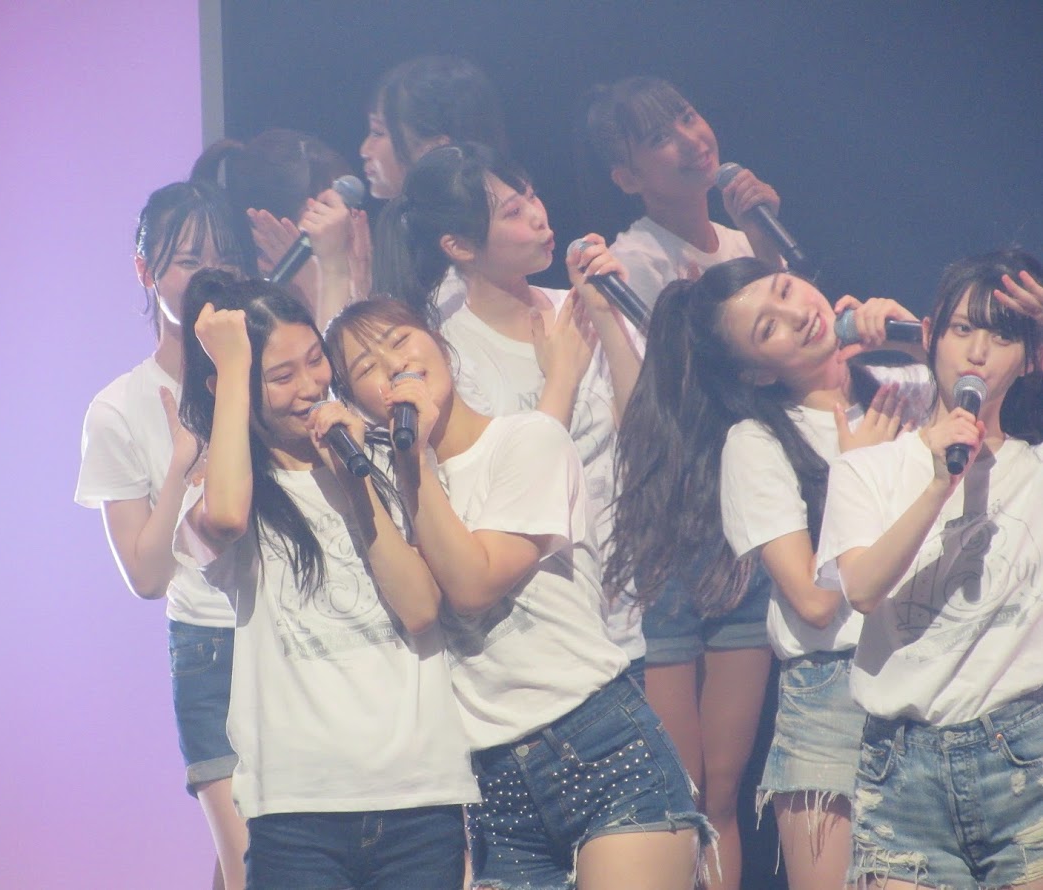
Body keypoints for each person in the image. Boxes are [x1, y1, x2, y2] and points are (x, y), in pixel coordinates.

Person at [326, 296, 709, 890]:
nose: (393, 365)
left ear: (438, 340)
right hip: (493, 785)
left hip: (600, 745)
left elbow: (474, 584)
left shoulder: (529, 440)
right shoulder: (383, 500)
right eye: (367, 367)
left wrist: (412, 460)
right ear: (357, 404)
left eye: (399, 341)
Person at [608, 256, 932, 890]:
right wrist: (852, 472)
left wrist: (915, 336)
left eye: (787, 290)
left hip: (934, 669)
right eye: (768, 327)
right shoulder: (756, 443)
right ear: (756, 371)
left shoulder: (907, 388)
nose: (798, 313)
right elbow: (813, 601)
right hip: (835, 693)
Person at [173, 270, 478, 889]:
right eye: (282, 376)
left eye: (316, 360)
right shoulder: (229, 495)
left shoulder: (383, 457)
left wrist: (352, 480)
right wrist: (232, 367)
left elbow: (421, 609)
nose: (312, 386)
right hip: (298, 814)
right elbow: (226, 517)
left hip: (419, 802)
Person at [816, 248, 1043, 890]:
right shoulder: (865, 469)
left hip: (1023, 756)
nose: (977, 352)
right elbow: (862, 589)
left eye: (1003, 336)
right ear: (930, 335)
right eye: (962, 329)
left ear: (1030, 359)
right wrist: (939, 484)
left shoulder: (1034, 468)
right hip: (902, 770)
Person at [372, 142, 645, 670]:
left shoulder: (573, 308)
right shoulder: (446, 350)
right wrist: (560, 378)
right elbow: (494, 488)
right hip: (535, 615)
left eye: (532, 197)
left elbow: (644, 432)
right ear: (459, 246)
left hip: (625, 592)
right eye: (514, 212)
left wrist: (605, 316)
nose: (539, 216)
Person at [74, 180, 256, 890]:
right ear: (145, 271)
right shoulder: (118, 409)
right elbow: (147, 578)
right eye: (187, 260)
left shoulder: (266, 376)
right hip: (210, 646)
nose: (208, 274)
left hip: (294, 633)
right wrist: (181, 465)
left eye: (222, 257)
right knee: (255, 864)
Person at [577, 76, 784, 320]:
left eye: (687, 118)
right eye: (659, 138)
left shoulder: (744, 242)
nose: (691, 140)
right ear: (629, 179)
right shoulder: (635, 261)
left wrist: (763, 244)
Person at [361, 55, 509, 319]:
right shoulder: (404, 235)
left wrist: (338, 274)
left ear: (437, 148)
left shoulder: (455, 288)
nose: (364, 150)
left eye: (378, 132)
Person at [191, 129, 370, 326]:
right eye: (327, 210)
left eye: (347, 207)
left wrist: (359, 293)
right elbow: (339, 346)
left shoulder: (360, 279)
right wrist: (319, 287)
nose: (345, 224)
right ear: (267, 236)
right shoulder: (246, 322)